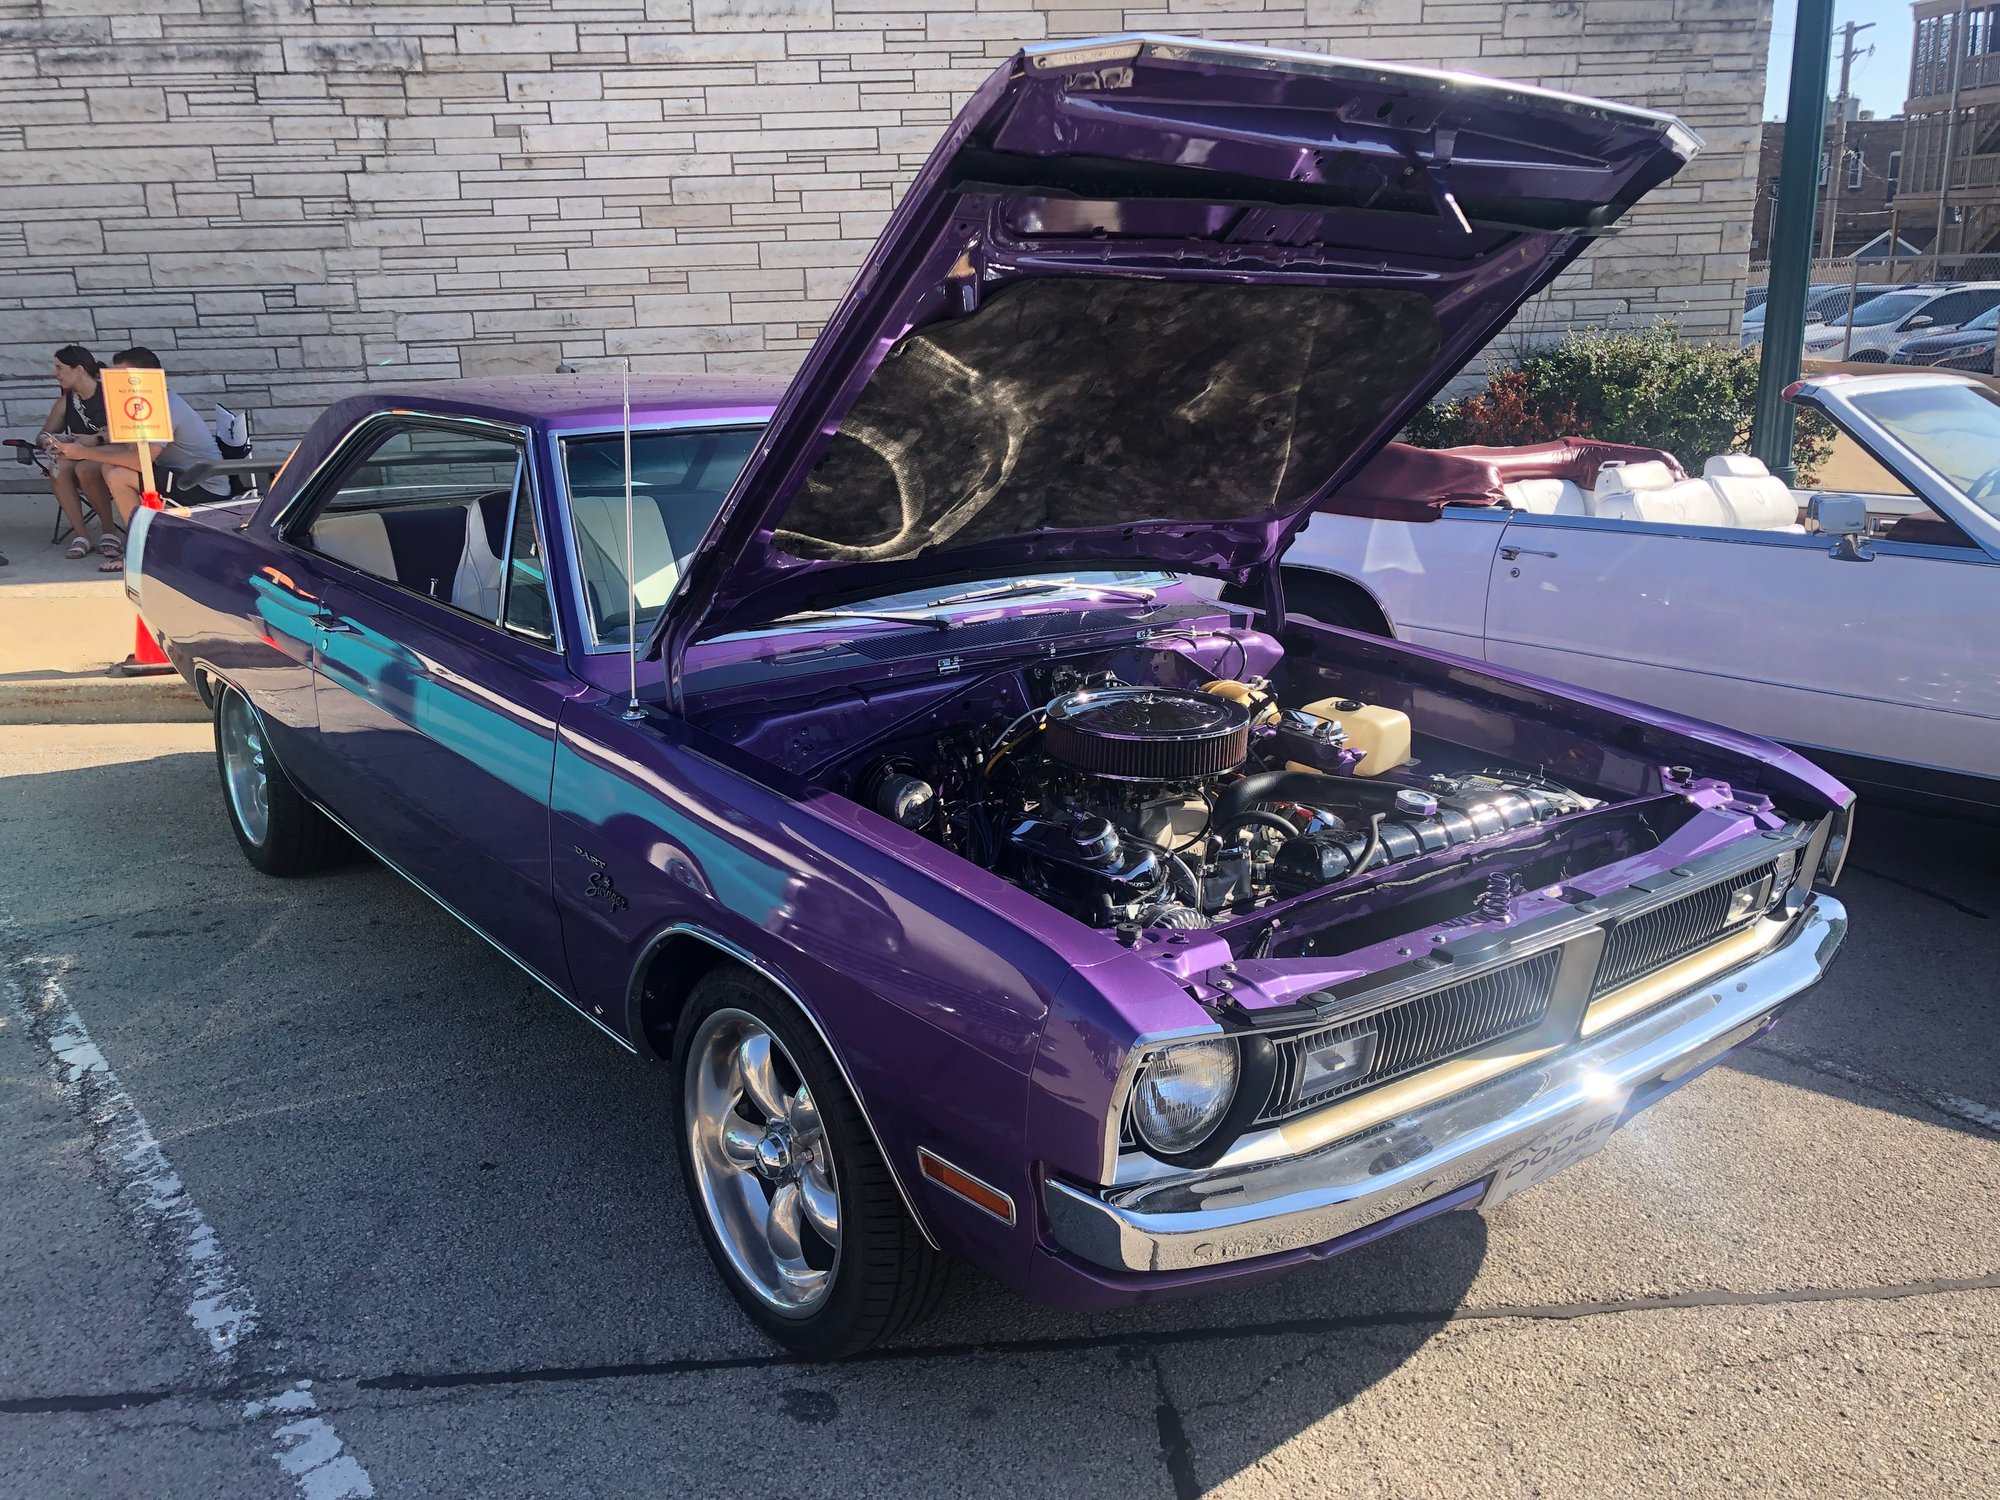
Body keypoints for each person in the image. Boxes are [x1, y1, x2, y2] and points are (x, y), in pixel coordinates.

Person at [46, 347, 229, 571]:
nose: (115, 385)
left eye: (122, 378)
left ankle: (140, 550)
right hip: (178, 476)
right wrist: (83, 446)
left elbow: (139, 462)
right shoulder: (140, 404)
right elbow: (128, 451)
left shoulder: (163, 406)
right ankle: (139, 544)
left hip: (201, 483)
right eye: (112, 378)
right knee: (110, 468)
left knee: (118, 475)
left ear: (145, 378)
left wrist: (82, 453)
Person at [36, 345, 121, 564]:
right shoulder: (67, 402)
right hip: (78, 456)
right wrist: (51, 441)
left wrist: (96, 439)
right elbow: (43, 434)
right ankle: (81, 535)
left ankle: (109, 531)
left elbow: (127, 432)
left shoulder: (110, 395)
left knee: (84, 467)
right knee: (59, 467)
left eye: (60, 368)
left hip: (111, 458)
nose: (56, 374)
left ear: (79, 370)